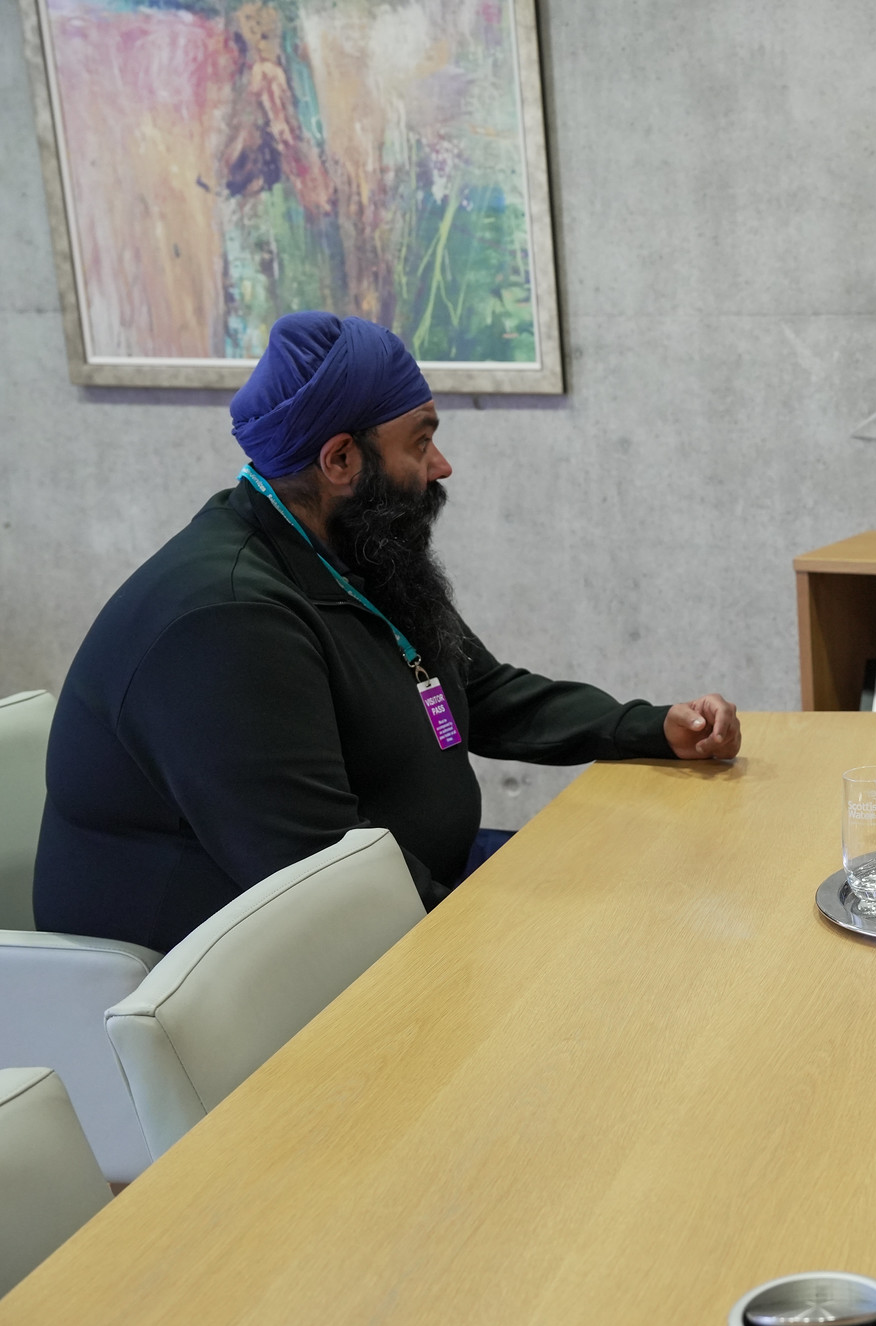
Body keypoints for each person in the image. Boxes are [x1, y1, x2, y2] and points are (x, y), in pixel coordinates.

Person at [34, 312, 740, 953]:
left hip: (404, 895)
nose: (441, 466)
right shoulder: (226, 621)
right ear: (340, 460)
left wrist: (652, 728)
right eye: (422, 441)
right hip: (232, 976)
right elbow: (321, 875)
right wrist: (504, 943)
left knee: (660, 889)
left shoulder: (349, 545)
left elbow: (481, 690)